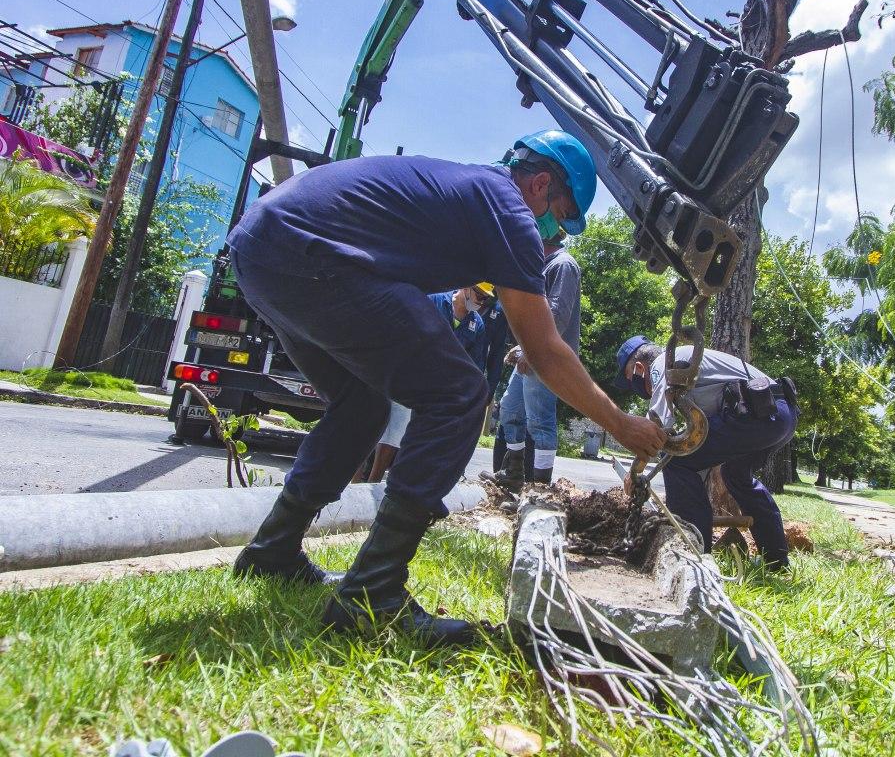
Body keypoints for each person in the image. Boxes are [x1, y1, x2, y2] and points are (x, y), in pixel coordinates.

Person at [226, 130, 666, 648]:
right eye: (563, 218)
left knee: (362, 405)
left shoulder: (471, 193)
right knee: (459, 396)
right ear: (541, 184)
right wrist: (621, 424)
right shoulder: (511, 212)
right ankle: (372, 593)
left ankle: (272, 552)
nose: (558, 238)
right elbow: (544, 349)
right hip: (313, 253)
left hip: (261, 248)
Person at [615, 336, 797, 570]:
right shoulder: (685, 357)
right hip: (781, 415)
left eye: (632, 381)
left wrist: (635, 471)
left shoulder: (663, 363)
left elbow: (657, 427)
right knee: (736, 475)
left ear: (640, 368)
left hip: (756, 412)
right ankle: (776, 559)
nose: (638, 390)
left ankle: (694, 555)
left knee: (678, 462)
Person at [363, 283, 505, 484]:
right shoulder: (435, 301)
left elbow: (475, 365)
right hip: (408, 375)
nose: (481, 302)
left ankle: (390, 481)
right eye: (479, 295)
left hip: (441, 390)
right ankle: (363, 480)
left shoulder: (477, 324)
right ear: (466, 287)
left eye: (485, 298)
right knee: (385, 423)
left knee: (413, 434)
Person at [487, 228, 581, 486]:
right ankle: (514, 474)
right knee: (510, 408)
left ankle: (540, 488)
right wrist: (522, 349)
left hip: (547, 358)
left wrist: (529, 350)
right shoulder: (546, 266)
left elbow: (556, 316)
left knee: (540, 422)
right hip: (532, 354)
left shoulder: (563, 265)